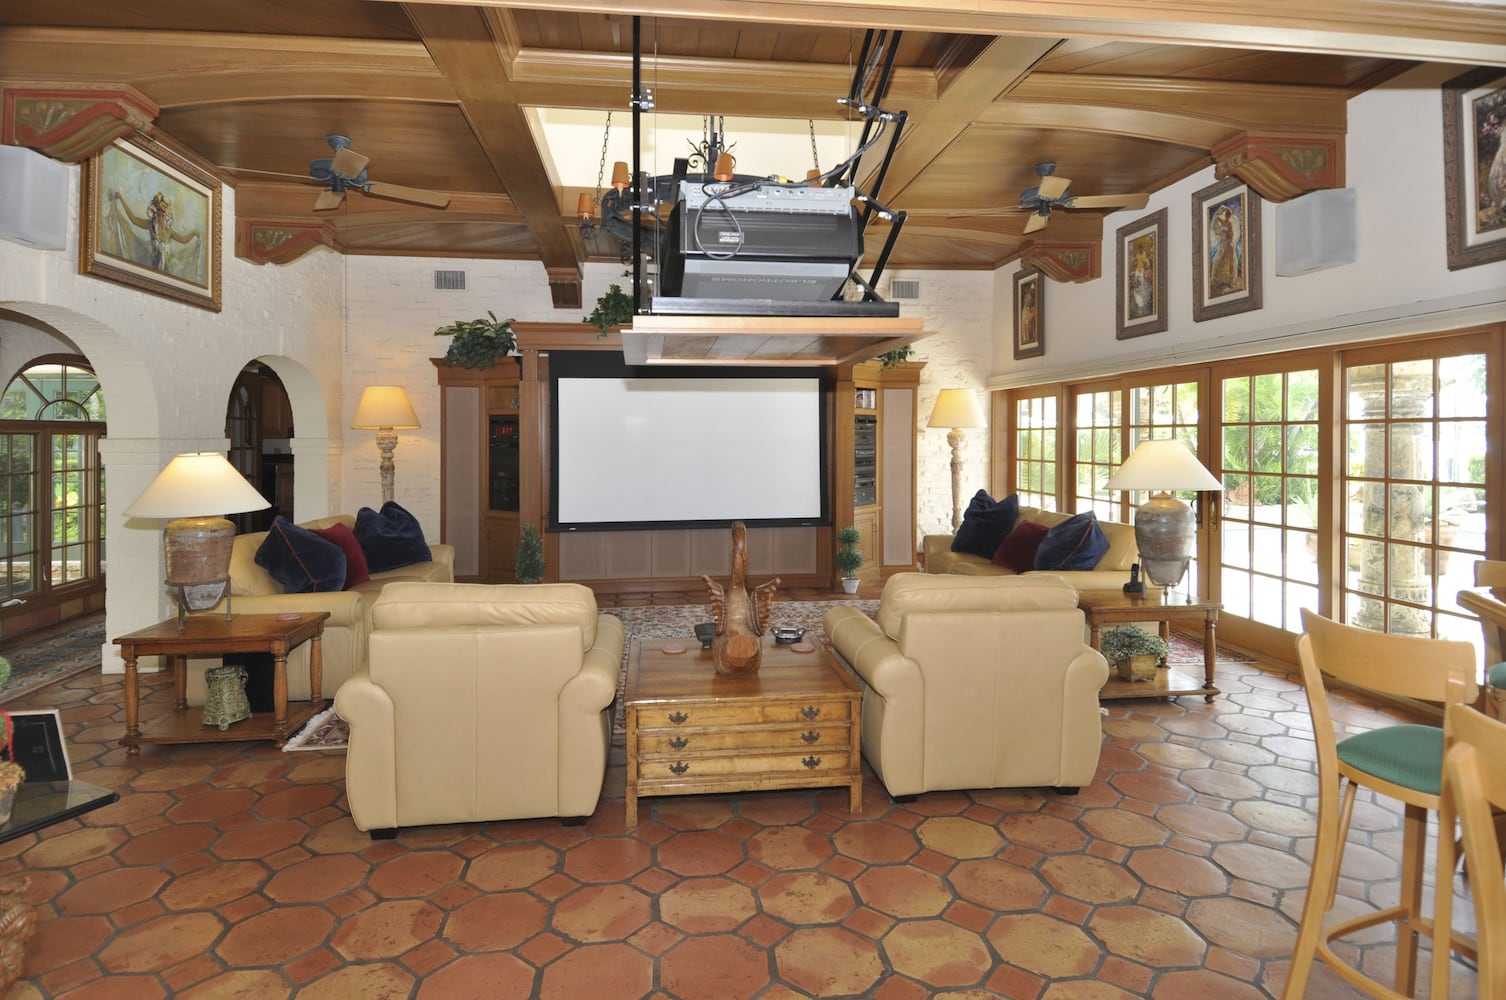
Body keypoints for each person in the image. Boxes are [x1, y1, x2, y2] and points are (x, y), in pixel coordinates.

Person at [109, 189, 200, 272]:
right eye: (158, 215)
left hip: (167, 270)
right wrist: (121, 199)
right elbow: (133, 219)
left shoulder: (169, 231)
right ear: (155, 214)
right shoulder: (150, 225)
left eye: (163, 216)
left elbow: (183, 240)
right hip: (153, 268)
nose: (161, 218)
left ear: (166, 216)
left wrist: (193, 233)